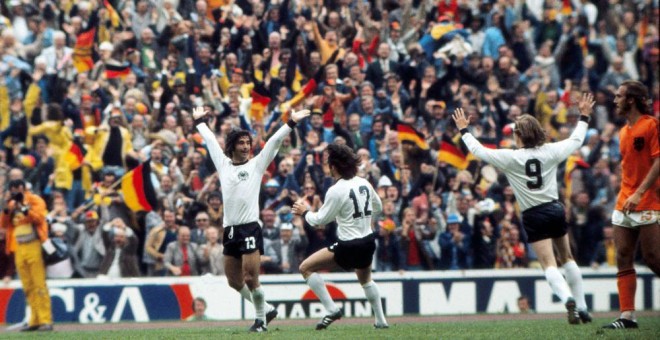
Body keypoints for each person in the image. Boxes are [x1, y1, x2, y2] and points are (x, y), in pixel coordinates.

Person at [452, 93, 595, 325]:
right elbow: (577, 140)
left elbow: (479, 151)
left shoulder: (511, 157)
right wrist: (585, 115)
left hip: (533, 214)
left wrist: (464, 130)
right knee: (567, 258)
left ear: (519, 135)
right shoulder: (551, 151)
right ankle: (583, 306)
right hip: (555, 208)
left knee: (548, 264)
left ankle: (567, 298)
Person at [193, 105, 310, 332]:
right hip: (230, 230)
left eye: (248, 143)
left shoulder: (257, 164)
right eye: (241, 143)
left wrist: (291, 122)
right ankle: (266, 308)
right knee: (234, 281)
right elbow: (209, 140)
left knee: (250, 277)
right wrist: (199, 121)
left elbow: (274, 141)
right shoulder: (224, 164)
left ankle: (261, 322)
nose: (246, 147)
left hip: (249, 229)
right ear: (232, 146)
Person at [292, 143, 389, 330]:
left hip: (348, 245)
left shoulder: (336, 190)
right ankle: (381, 320)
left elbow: (319, 220)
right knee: (366, 280)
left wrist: (304, 212)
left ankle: (331, 309)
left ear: (334, 167)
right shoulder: (364, 183)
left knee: (305, 268)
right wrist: (366, 220)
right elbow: (378, 207)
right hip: (368, 242)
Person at [604, 80, 660, 330]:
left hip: (647, 200)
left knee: (653, 258)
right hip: (624, 200)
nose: (615, 100)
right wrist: (626, 191)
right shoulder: (623, 131)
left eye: (619, 96)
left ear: (631, 100)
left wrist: (639, 193)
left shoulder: (651, 125)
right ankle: (627, 315)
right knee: (623, 255)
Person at [0, 179, 53, 331]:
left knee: (39, 284)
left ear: (24, 188)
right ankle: (34, 320)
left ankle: (45, 320)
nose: (16, 191)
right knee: (28, 286)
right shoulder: (11, 205)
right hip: (19, 247)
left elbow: (38, 218)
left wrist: (23, 208)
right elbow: (3, 225)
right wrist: (6, 208)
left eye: (18, 188)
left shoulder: (35, 200)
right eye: (13, 189)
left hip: (34, 245)